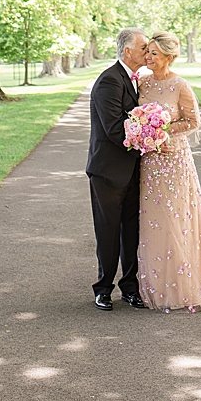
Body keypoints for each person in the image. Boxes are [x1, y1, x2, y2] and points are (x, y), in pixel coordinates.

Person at [136, 31, 201, 312]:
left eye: (154, 54)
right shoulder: (142, 83)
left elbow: (192, 122)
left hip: (175, 163)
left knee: (177, 221)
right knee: (153, 224)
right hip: (149, 163)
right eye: (147, 52)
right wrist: (143, 133)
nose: (148, 57)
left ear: (169, 57)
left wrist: (161, 132)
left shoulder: (179, 85)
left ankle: (184, 288)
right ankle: (153, 286)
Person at [86, 27, 151, 311]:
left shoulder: (137, 80)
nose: (147, 52)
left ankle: (130, 288)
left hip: (133, 170)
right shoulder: (109, 81)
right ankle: (103, 289)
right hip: (108, 171)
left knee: (131, 232)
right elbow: (114, 129)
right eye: (143, 48)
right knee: (108, 232)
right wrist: (150, 133)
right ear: (128, 51)